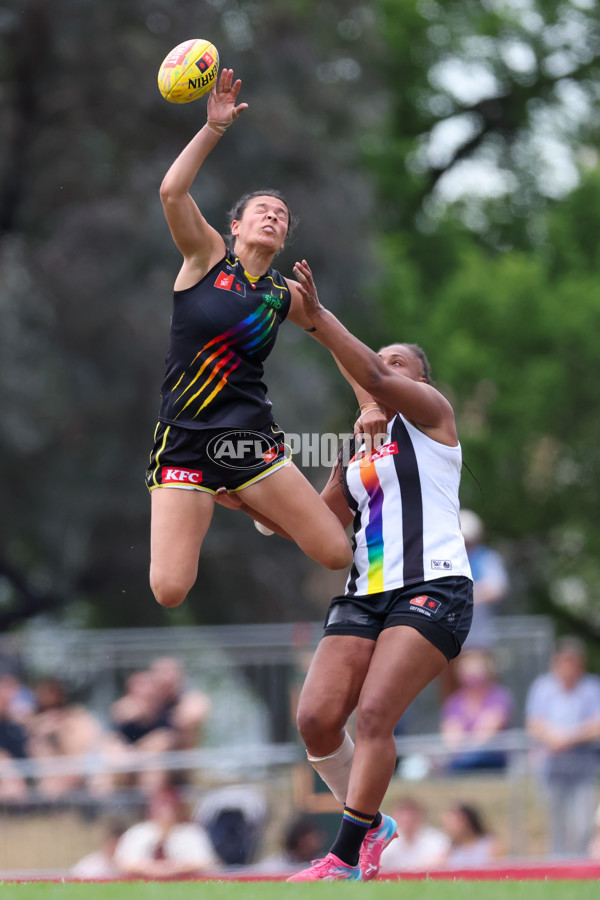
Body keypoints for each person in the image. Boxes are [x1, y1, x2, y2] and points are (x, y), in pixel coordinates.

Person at [222, 260, 474, 881]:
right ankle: (372, 822)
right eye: (383, 363)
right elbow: (318, 528)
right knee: (314, 718)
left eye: (398, 367)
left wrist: (317, 319)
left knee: (374, 714)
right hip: (366, 594)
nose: (385, 371)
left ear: (418, 383)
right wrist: (245, 500)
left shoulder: (433, 420)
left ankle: (341, 856)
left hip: (434, 585)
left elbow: (369, 374)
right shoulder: (354, 450)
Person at [147, 67, 358, 611]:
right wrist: (214, 127)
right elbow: (172, 190)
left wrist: (368, 403)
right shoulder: (206, 258)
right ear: (235, 226)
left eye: (282, 215)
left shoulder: (285, 294)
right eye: (261, 210)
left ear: (284, 237)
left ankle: (246, 500)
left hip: (250, 441)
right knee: (170, 591)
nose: (273, 215)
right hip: (186, 438)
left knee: (336, 553)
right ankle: (234, 496)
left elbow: (341, 344)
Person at [526, 636, 600, 856]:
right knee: (555, 825)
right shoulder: (542, 687)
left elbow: (596, 725)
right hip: (551, 769)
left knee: (581, 824)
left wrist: (568, 738)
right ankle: (557, 867)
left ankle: (579, 866)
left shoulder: (592, 688)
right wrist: (553, 737)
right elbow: (533, 724)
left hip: (582, 770)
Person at [115, 785, 218, 879]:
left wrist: (174, 868)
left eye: (169, 806)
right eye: (160, 805)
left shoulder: (191, 833)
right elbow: (122, 862)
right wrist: (150, 868)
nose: (165, 811)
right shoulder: (137, 832)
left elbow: (206, 862)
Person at [440, 649, 513, 771]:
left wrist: (465, 743)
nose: (472, 677)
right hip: (460, 763)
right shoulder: (454, 701)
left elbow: (487, 733)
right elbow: (451, 739)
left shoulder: (499, 697)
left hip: (494, 763)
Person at [459, 510, 508, 651]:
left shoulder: (486, 558)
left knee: (474, 671)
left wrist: (461, 596)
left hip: (477, 638)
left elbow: (497, 589)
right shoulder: (448, 559)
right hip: (445, 633)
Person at [150, 657, 212, 750]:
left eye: (169, 672)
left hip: (181, 757)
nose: (165, 677)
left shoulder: (190, 698)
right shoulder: (146, 700)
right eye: (161, 673)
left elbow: (195, 712)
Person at [379, 797, 449, 873]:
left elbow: (439, 863)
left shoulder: (437, 839)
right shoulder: (384, 840)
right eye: (402, 814)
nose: (407, 819)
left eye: (411, 814)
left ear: (420, 816)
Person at [440, 803, 502, 867]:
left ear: (467, 822)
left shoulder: (490, 844)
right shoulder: (450, 849)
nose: (449, 828)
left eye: (452, 823)